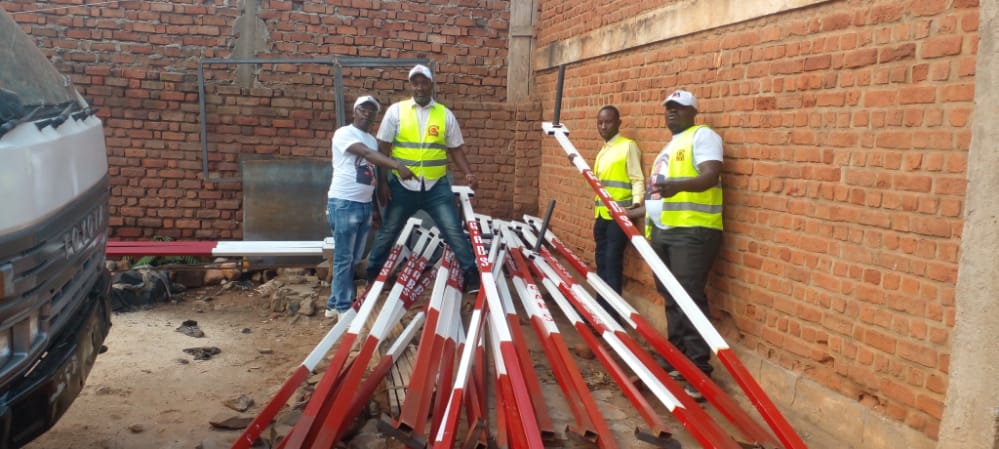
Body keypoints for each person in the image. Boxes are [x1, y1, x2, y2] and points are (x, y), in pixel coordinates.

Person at [364, 64, 481, 293]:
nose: (419, 87)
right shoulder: (396, 112)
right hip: (402, 188)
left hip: (436, 187)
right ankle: (373, 275)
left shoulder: (444, 114)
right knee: (389, 231)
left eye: (423, 82)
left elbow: (456, 149)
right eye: (415, 83)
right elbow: (382, 149)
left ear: (431, 84)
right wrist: (384, 183)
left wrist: (468, 172)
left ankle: (471, 275)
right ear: (411, 86)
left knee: (453, 230)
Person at [646, 90, 724, 401]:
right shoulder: (669, 146)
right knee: (670, 297)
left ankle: (698, 370)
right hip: (664, 231)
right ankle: (677, 357)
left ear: (693, 112)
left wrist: (675, 187)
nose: (671, 113)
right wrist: (633, 213)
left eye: (679, 108)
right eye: (668, 108)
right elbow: (658, 194)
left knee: (689, 297)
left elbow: (709, 176)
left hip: (692, 231)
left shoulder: (702, 136)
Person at [325, 95, 415, 320]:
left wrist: (374, 208)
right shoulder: (344, 134)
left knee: (353, 259)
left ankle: (333, 303)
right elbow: (366, 155)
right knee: (345, 258)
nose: (367, 114)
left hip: (364, 204)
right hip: (344, 202)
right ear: (355, 111)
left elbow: (372, 174)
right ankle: (344, 308)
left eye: (372, 111)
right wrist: (396, 165)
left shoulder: (372, 140)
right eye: (363, 110)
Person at [591, 105, 644, 321]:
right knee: (601, 263)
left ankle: (612, 315)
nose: (603, 126)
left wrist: (634, 208)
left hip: (618, 218)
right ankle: (600, 310)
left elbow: (637, 178)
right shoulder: (603, 150)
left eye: (608, 122)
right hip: (601, 217)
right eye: (600, 123)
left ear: (618, 123)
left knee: (612, 263)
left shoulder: (627, 146)